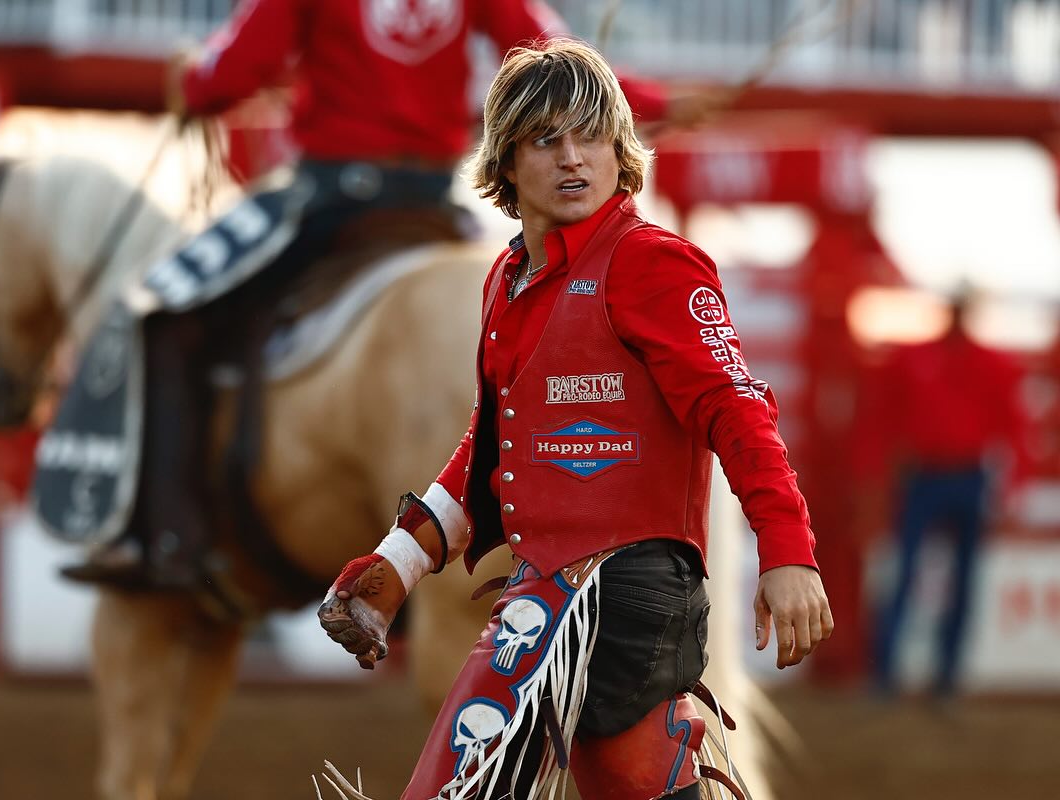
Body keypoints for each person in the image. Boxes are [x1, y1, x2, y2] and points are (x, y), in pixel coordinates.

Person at [317, 38, 832, 800]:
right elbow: (492, 450)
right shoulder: (505, 279)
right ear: (505, 162)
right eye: (546, 139)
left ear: (621, 154)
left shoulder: (653, 262)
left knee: (452, 788)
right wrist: (400, 561)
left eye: (591, 136)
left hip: (607, 596)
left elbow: (736, 409)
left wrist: (787, 551)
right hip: (574, 600)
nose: (572, 159)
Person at [61, 0, 677, 589]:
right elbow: (555, 56)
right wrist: (656, 101)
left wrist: (193, 80)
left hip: (334, 198)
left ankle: (164, 542)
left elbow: (239, 69)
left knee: (165, 311)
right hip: (433, 200)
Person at [869, 289, 1025, 698]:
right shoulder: (916, 359)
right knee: (907, 575)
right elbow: (886, 418)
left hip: (967, 476)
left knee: (961, 579)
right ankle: (886, 675)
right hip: (924, 475)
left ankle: (946, 679)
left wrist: (1010, 488)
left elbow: (1012, 427)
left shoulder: (991, 363)